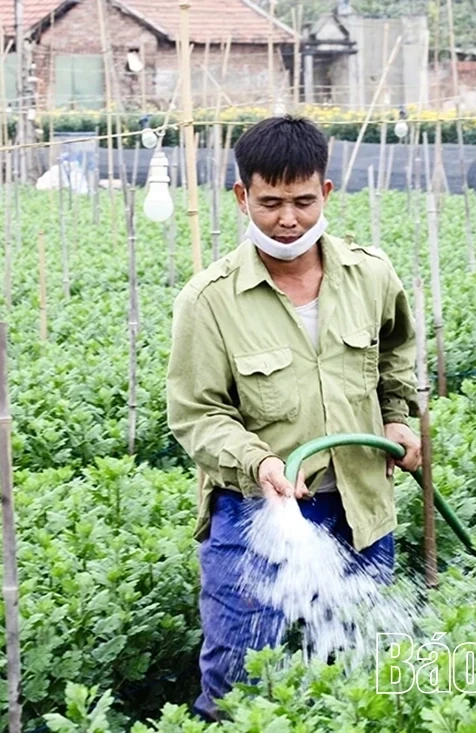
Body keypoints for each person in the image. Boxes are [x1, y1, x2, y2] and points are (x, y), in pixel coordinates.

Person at [165, 114, 422, 721]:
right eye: (271, 202)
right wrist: (261, 463)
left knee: (357, 672)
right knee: (236, 680)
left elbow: (396, 362)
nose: (288, 219)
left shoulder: (372, 275)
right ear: (242, 196)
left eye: (303, 201)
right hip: (256, 516)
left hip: (359, 509)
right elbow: (196, 414)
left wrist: (398, 421)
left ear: (326, 193)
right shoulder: (208, 300)